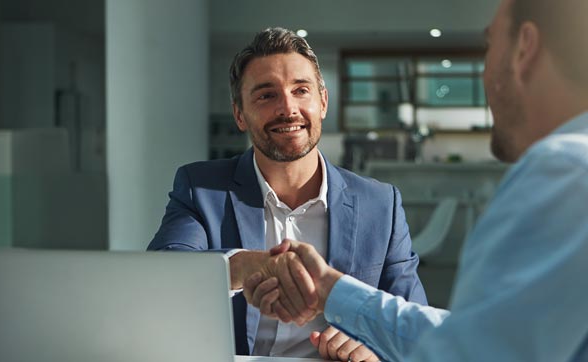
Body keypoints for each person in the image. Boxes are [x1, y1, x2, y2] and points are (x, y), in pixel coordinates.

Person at [244, 0, 588, 360]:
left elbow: (466, 354)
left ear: (524, 48)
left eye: (489, 46)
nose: (485, 71)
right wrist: (332, 291)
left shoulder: (562, 172)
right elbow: (480, 338)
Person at [148, 27, 427, 360]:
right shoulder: (200, 188)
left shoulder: (381, 204)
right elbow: (161, 276)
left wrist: (376, 348)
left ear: (322, 102)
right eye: (267, 95)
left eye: (301, 90)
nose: (288, 108)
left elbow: (414, 324)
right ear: (240, 114)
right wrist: (245, 267)